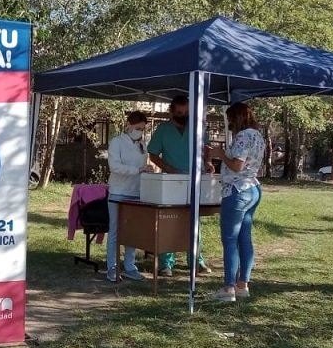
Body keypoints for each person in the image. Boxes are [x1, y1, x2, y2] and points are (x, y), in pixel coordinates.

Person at [147, 94, 214, 277]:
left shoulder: (197, 127)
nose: (183, 116)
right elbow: (153, 154)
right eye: (179, 113)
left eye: (186, 112)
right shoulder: (163, 129)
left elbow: (206, 148)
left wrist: (208, 162)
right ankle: (166, 264)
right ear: (171, 112)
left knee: (194, 222)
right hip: (172, 181)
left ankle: (196, 260)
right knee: (169, 220)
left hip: (195, 180)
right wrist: (168, 168)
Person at [207, 102, 265, 302]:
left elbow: (237, 166)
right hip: (253, 188)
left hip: (237, 189)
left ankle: (228, 287)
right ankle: (242, 285)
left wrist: (220, 154)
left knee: (230, 239)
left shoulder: (242, 137)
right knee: (244, 238)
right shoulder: (258, 136)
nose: (229, 124)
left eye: (230, 119)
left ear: (237, 118)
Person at [105, 110, 151, 283]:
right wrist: (137, 170)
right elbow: (115, 166)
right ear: (129, 125)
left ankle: (130, 266)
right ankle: (112, 267)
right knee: (115, 230)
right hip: (118, 192)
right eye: (138, 128)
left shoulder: (142, 145)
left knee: (132, 231)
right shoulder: (116, 142)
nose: (140, 132)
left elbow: (143, 166)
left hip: (135, 193)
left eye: (142, 129)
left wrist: (146, 171)